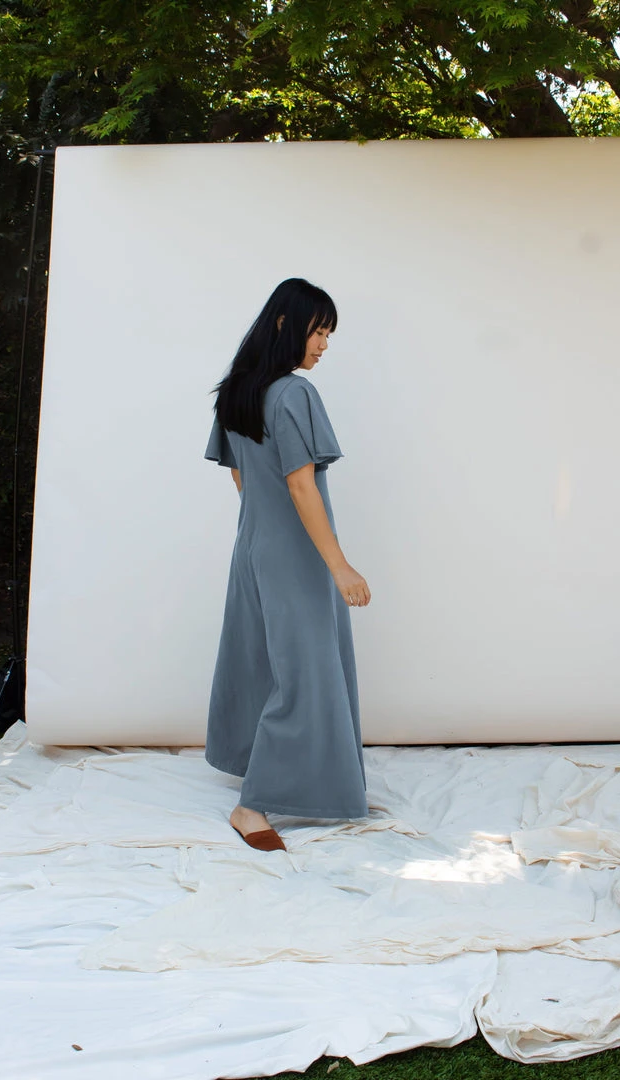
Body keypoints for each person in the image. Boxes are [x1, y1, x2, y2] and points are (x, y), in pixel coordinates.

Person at [204, 277, 371, 852]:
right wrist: (340, 566)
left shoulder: (238, 390)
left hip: (254, 545)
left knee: (264, 665)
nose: (323, 345)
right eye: (317, 331)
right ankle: (251, 806)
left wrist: (265, 524)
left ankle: (266, 770)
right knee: (306, 676)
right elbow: (302, 485)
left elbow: (240, 475)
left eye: (328, 334)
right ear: (284, 324)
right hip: (297, 553)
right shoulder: (294, 393)